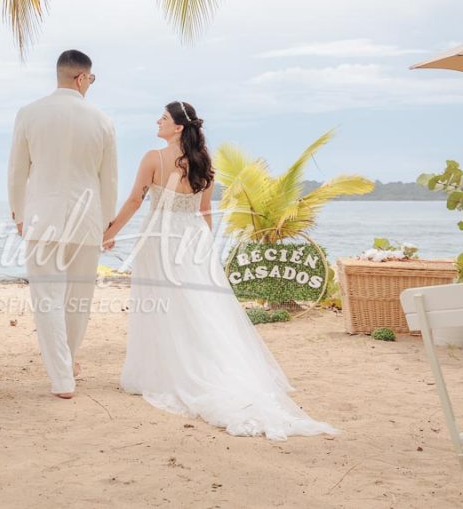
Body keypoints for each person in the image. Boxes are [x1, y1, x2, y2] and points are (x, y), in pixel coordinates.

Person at [101, 101, 337, 440]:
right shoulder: (204, 163)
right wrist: (205, 248)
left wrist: (110, 232)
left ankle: (164, 374)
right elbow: (204, 210)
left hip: (161, 238)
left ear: (178, 127)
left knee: (163, 303)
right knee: (199, 307)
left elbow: (136, 200)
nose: (158, 121)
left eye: (163, 118)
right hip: (193, 239)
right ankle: (201, 367)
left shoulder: (153, 158)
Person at [8, 49, 118, 399]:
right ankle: (66, 365)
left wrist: (19, 213)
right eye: (92, 79)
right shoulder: (102, 120)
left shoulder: (29, 114)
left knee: (47, 300)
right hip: (87, 221)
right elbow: (109, 180)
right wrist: (106, 224)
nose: (91, 85)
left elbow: (17, 172)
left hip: (42, 218)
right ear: (81, 78)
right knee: (78, 301)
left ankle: (62, 377)